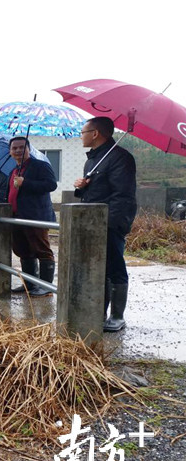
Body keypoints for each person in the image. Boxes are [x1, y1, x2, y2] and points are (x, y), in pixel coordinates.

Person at [74, 116, 137, 332]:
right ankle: (98, 311)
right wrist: (81, 187)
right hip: (92, 222)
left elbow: (123, 196)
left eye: (83, 132)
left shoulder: (120, 158)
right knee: (97, 268)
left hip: (110, 222)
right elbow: (95, 191)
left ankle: (117, 316)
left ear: (95, 134)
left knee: (114, 266)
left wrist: (109, 224)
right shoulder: (93, 160)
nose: (81, 136)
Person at [7, 136, 57, 297]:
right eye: (14, 148)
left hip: (36, 216)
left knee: (42, 250)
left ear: (29, 149)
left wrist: (25, 183)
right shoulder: (13, 171)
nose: (18, 151)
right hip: (17, 217)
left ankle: (45, 286)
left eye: (22, 147)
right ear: (10, 152)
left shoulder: (40, 166)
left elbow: (51, 185)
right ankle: (29, 284)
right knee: (23, 251)